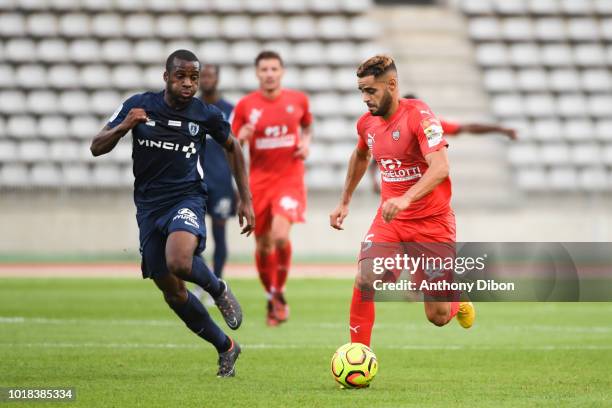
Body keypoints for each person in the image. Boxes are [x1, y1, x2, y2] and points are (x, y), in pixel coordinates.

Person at [90, 50, 255, 377]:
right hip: (149, 207)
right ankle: (226, 347)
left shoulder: (204, 114)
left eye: (193, 78)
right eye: (181, 76)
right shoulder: (139, 105)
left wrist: (246, 200)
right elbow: (96, 146)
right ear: (166, 77)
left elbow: (233, 146)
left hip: (187, 198)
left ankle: (218, 289)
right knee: (172, 291)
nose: (188, 84)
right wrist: (125, 125)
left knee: (179, 261)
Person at [329, 55, 475, 348]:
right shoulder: (367, 125)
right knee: (366, 278)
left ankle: (455, 299)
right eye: (361, 91)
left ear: (392, 85)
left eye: (371, 91)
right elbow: (361, 155)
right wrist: (344, 200)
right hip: (391, 222)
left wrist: (407, 198)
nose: (365, 98)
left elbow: (441, 167)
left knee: (438, 316)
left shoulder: (420, 116)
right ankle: (358, 355)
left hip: (433, 224)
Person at [231, 51, 313, 326]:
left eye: (274, 68)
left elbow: (307, 125)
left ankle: (279, 293)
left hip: (289, 179)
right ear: (257, 73)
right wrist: (239, 139)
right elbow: (230, 146)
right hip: (258, 183)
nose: (269, 73)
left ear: (281, 71)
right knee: (264, 246)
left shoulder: (298, 100)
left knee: (280, 236)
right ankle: (271, 295)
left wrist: (306, 142)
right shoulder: (245, 106)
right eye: (264, 69)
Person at [369, 93, 517, 193]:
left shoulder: (429, 125)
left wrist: (500, 129)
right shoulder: (391, 131)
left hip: (423, 186)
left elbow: (467, 127)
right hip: (401, 186)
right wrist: (374, 181)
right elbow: (377, 157)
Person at [191, 64, 237, 304]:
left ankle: (216, 285)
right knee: (193, 236)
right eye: (203, 76)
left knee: (219, 234)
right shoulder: (189, 108)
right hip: (192, 181)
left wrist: (238, 185)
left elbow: (237, 148)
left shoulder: (229, 110)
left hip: (221, 182)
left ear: (218, 78)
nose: (207, 79)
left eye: (210, 75)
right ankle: (203, 282)